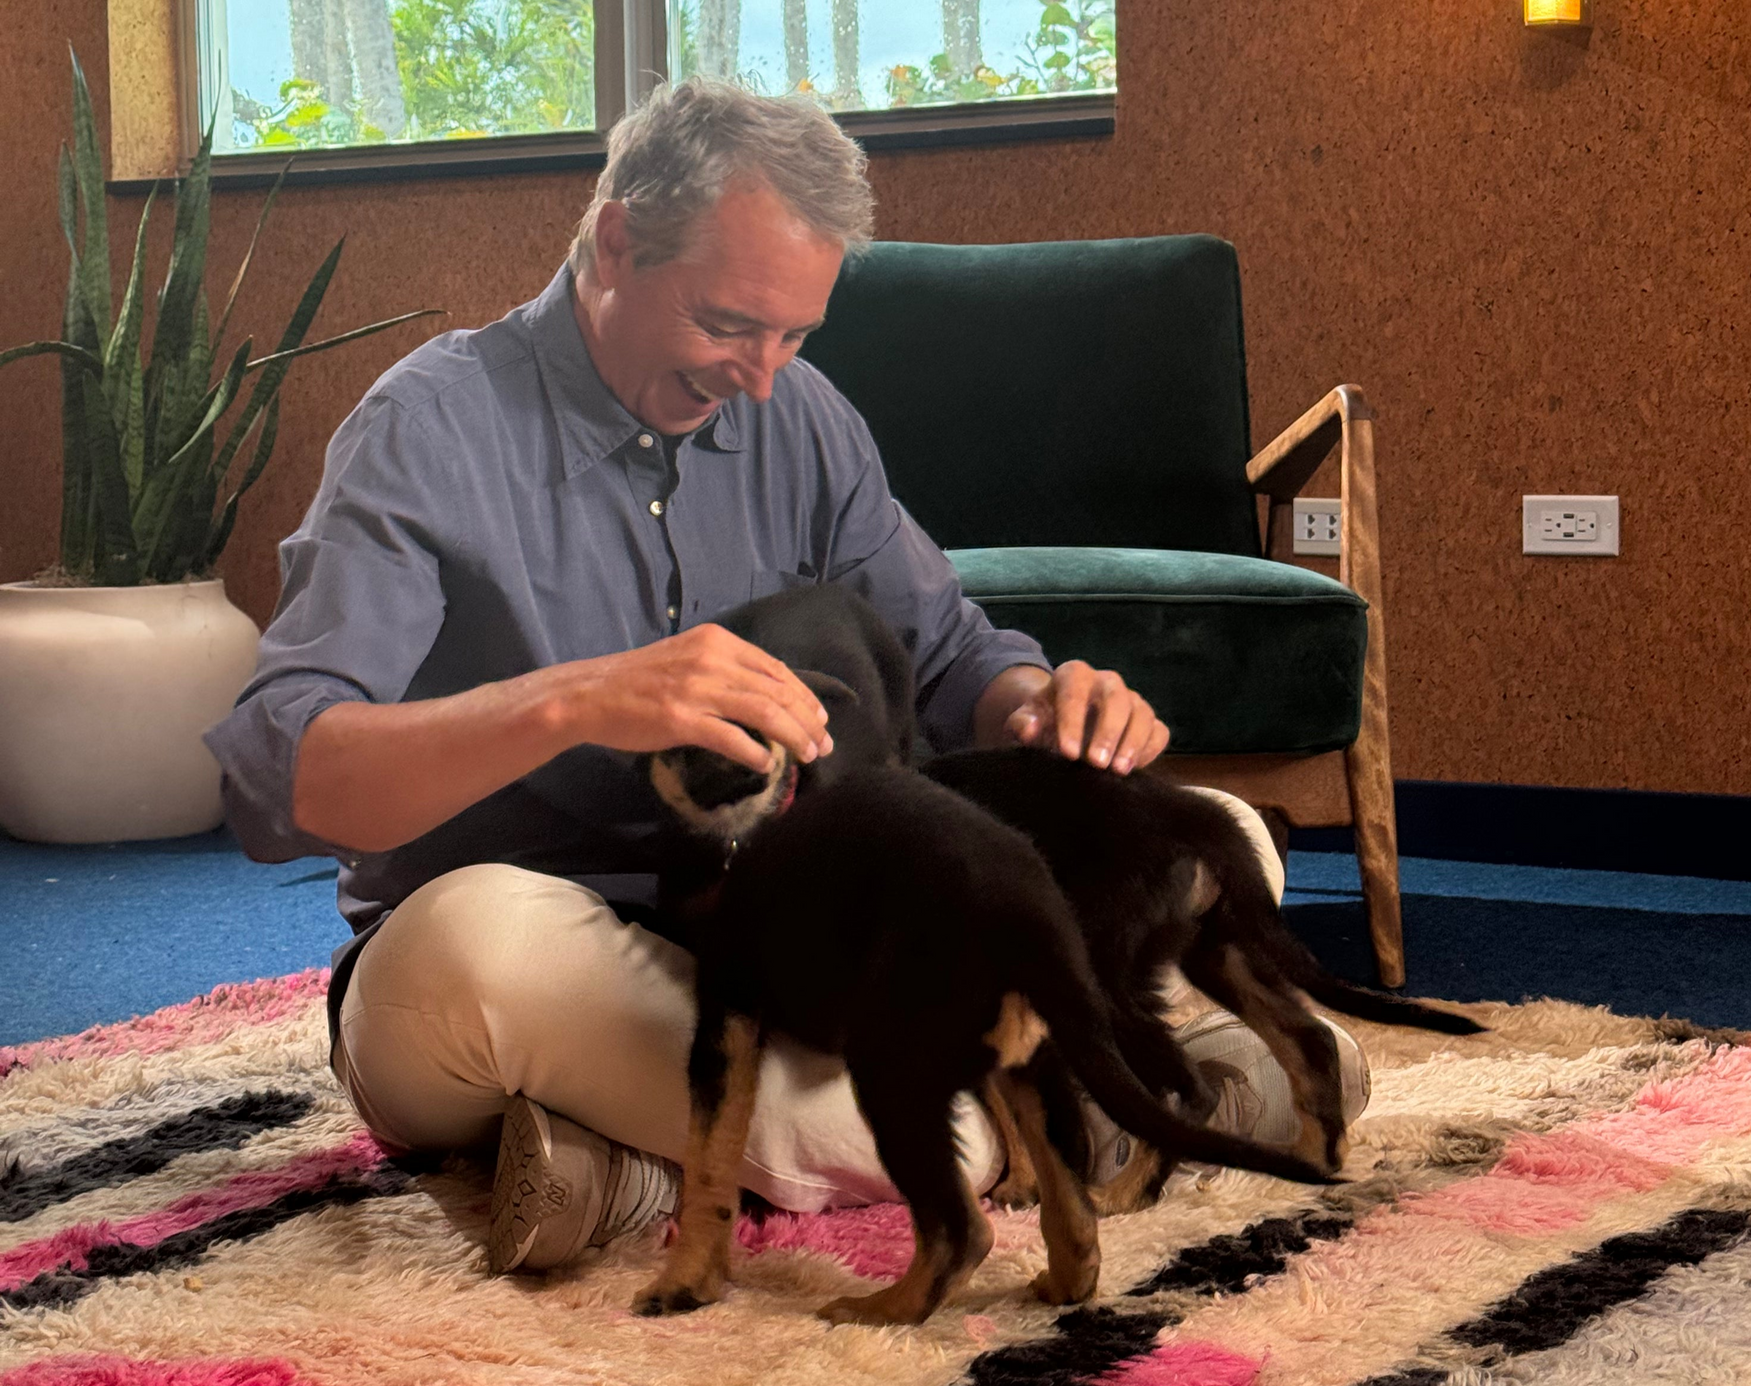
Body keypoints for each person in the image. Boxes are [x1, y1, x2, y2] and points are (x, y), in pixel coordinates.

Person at [206, 77, 1368, 1276]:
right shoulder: (427, 427)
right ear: (616, 241)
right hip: (516, 947)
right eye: (726, 326)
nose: (761, 377)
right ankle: (1129, 1101)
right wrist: (576, 700)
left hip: (785, 944)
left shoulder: (802, 417)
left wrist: (1045, 709)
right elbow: (281, 777)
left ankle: (620, 1166)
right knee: (476, 953)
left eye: (794, 335)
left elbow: (951, 655)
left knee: (1201, 834)